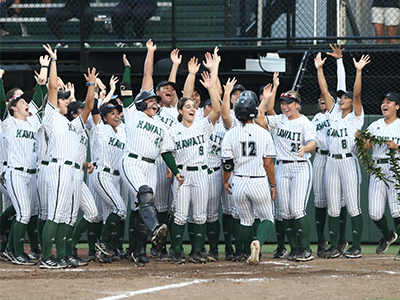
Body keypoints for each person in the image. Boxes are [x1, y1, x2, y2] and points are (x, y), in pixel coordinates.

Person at [118, 53, 184, 266]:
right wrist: (127, 68)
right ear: (141, 104)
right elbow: (125, 90)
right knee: (144, 195)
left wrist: (175, 171)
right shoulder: (133, 114)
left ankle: (138, 251)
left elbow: (165, 152)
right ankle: (157, 228)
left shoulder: (162, 125)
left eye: (156, 101)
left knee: (142, 209)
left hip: (150, 165)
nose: (155, 104)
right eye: (151, 101)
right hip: (132, 161)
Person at [40, 44, 96, 269]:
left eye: (65, 99)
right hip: (60, 168)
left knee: (67, 216)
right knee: (55, 214)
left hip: (74, 171)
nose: (64, 100)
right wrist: (54, 61)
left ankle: (62, 255)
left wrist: (91, 84)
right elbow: (52, 87)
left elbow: (89, 107)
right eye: (62, 99)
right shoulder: (51, 116)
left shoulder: (73, 124)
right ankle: (46, 257)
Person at [168, 70, 221, 264]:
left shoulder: (202, 125)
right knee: (180, 216)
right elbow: (168, 153)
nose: (192, 109)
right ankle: (176, 251)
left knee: (200, 215)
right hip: (182, 174)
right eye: (187, 106)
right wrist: (174, 172)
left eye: (194, 106)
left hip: (201, 173)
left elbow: (217, 110)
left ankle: (197, 252)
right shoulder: (173, 130)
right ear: (180, 111)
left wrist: (211, 88)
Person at [222, 89, 277, 266]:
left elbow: (227, 164)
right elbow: (268, 164)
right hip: (258, 179)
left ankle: (247, 250)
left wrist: (225, 180)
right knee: (267, 218)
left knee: (245, 220)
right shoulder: (264, 133)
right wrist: (273, 184)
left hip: (238, 180)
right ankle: (258, 242)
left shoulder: (230, 134)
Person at [323, 54, 370, 259]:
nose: (342, 100)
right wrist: (318, 69)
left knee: (352, 205)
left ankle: (357, 245)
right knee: (333, 207)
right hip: (331, 162)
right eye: (341, 97)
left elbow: (358, 95)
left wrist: (358, 71)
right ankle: (334, 246)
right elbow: (325, 90)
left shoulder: (355, 118)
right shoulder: (333, 114)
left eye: (345, 97)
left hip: (348, 161)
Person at [265, 78, 317, 262]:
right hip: (281, 167)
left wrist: (306, 148)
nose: (285, 106)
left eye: (288, 103)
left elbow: (313, 143)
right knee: (283, 212)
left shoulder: (305, 122)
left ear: (297, 105)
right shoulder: (279, 120)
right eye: (283, 103)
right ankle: (294, 248)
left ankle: (306, 249)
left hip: (300, 167)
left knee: (297, 209)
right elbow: (260, 117)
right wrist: (269, 95)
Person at [0, 68, 41, 266]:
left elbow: (39, 103)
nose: (26, 104)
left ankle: (10, 249)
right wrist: (0, 82)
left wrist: (41, 83)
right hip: (15, 173)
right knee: (23, 213)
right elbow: (2, 104)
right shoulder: (8, 123)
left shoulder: (31, 123)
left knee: (28, 213)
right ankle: (16, 252)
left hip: (31, 175)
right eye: (22, 102)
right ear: (13, 108)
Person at [312, 44, 349, 258]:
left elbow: (337, 87)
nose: (322, 99)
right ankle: (321, 240)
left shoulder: (337, 112)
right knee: (320, 201)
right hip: (320, 159)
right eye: (319, 99)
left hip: (336, 159)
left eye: (324, 98)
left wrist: (338, 60)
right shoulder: (316, 119)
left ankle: (341, 239)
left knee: (340, 200)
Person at [357, 92, 400, 259]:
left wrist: (397, 146)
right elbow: (365, 147)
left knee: (397, 211)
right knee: (374, 213)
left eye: (389, 102)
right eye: (383, 102)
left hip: (395, 168)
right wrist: (361, 140)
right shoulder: (375, 125)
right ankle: (388, 235)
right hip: (377, 169)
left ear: (397, 106)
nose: (385, 104)